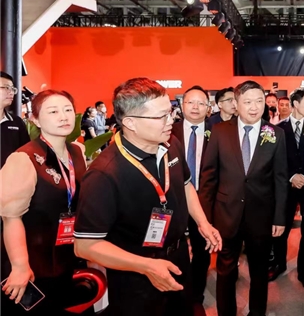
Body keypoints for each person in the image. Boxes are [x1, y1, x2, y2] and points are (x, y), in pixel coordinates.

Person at [73, 78, 222, 316]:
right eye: (161, 116)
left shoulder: (170, 144)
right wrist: (146, 266)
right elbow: (85, 246)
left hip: (178, 257)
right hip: (135, 273)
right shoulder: (104, 174)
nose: (171, 120)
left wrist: (203, 223)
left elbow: (185, 185)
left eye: (170, 112)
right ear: (130, 122)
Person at [199, 80, 288, 316]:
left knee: (259, 270)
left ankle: (257, 312)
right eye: (248, 102)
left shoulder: (276, 134)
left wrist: (279, 218)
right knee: (225, 270)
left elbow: (280, 179)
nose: (254, 107)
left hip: (261, 215)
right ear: (236, 104)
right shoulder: (220, 131)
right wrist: (205, 219)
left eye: (259, 101)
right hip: (226, 214)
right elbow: (208, 178)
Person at [1, 90, 87, 314]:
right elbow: (11, 218)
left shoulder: (78, 152)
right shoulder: (23, 158)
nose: (63, 117)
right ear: (36, 120)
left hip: (66, 255)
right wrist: (20, 265)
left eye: (68, 110)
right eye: (53, 111)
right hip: (32, 261)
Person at [269, 88, 304, 289]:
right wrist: (291, 176)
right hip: (285, 189)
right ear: (296, 104)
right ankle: (279, 263)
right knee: (282, 228)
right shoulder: (278, 129)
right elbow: (273, 160)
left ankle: (303, 270)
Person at [171, 85, 213, 310]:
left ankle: (196, 293)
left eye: (201, 103)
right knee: (172, 247)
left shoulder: (219, 132)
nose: (195, 107)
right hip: (173, 201)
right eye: (190, 102)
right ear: (182, 105)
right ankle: (175, 289)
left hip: (205, 202)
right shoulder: (169, 131)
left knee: (201, 250)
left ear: (208, 107)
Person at [0, 71, 30, 168]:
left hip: (11, 176)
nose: (11, 92)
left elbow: (25, 153)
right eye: (6, 88)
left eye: (13, 89)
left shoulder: (17, 122)